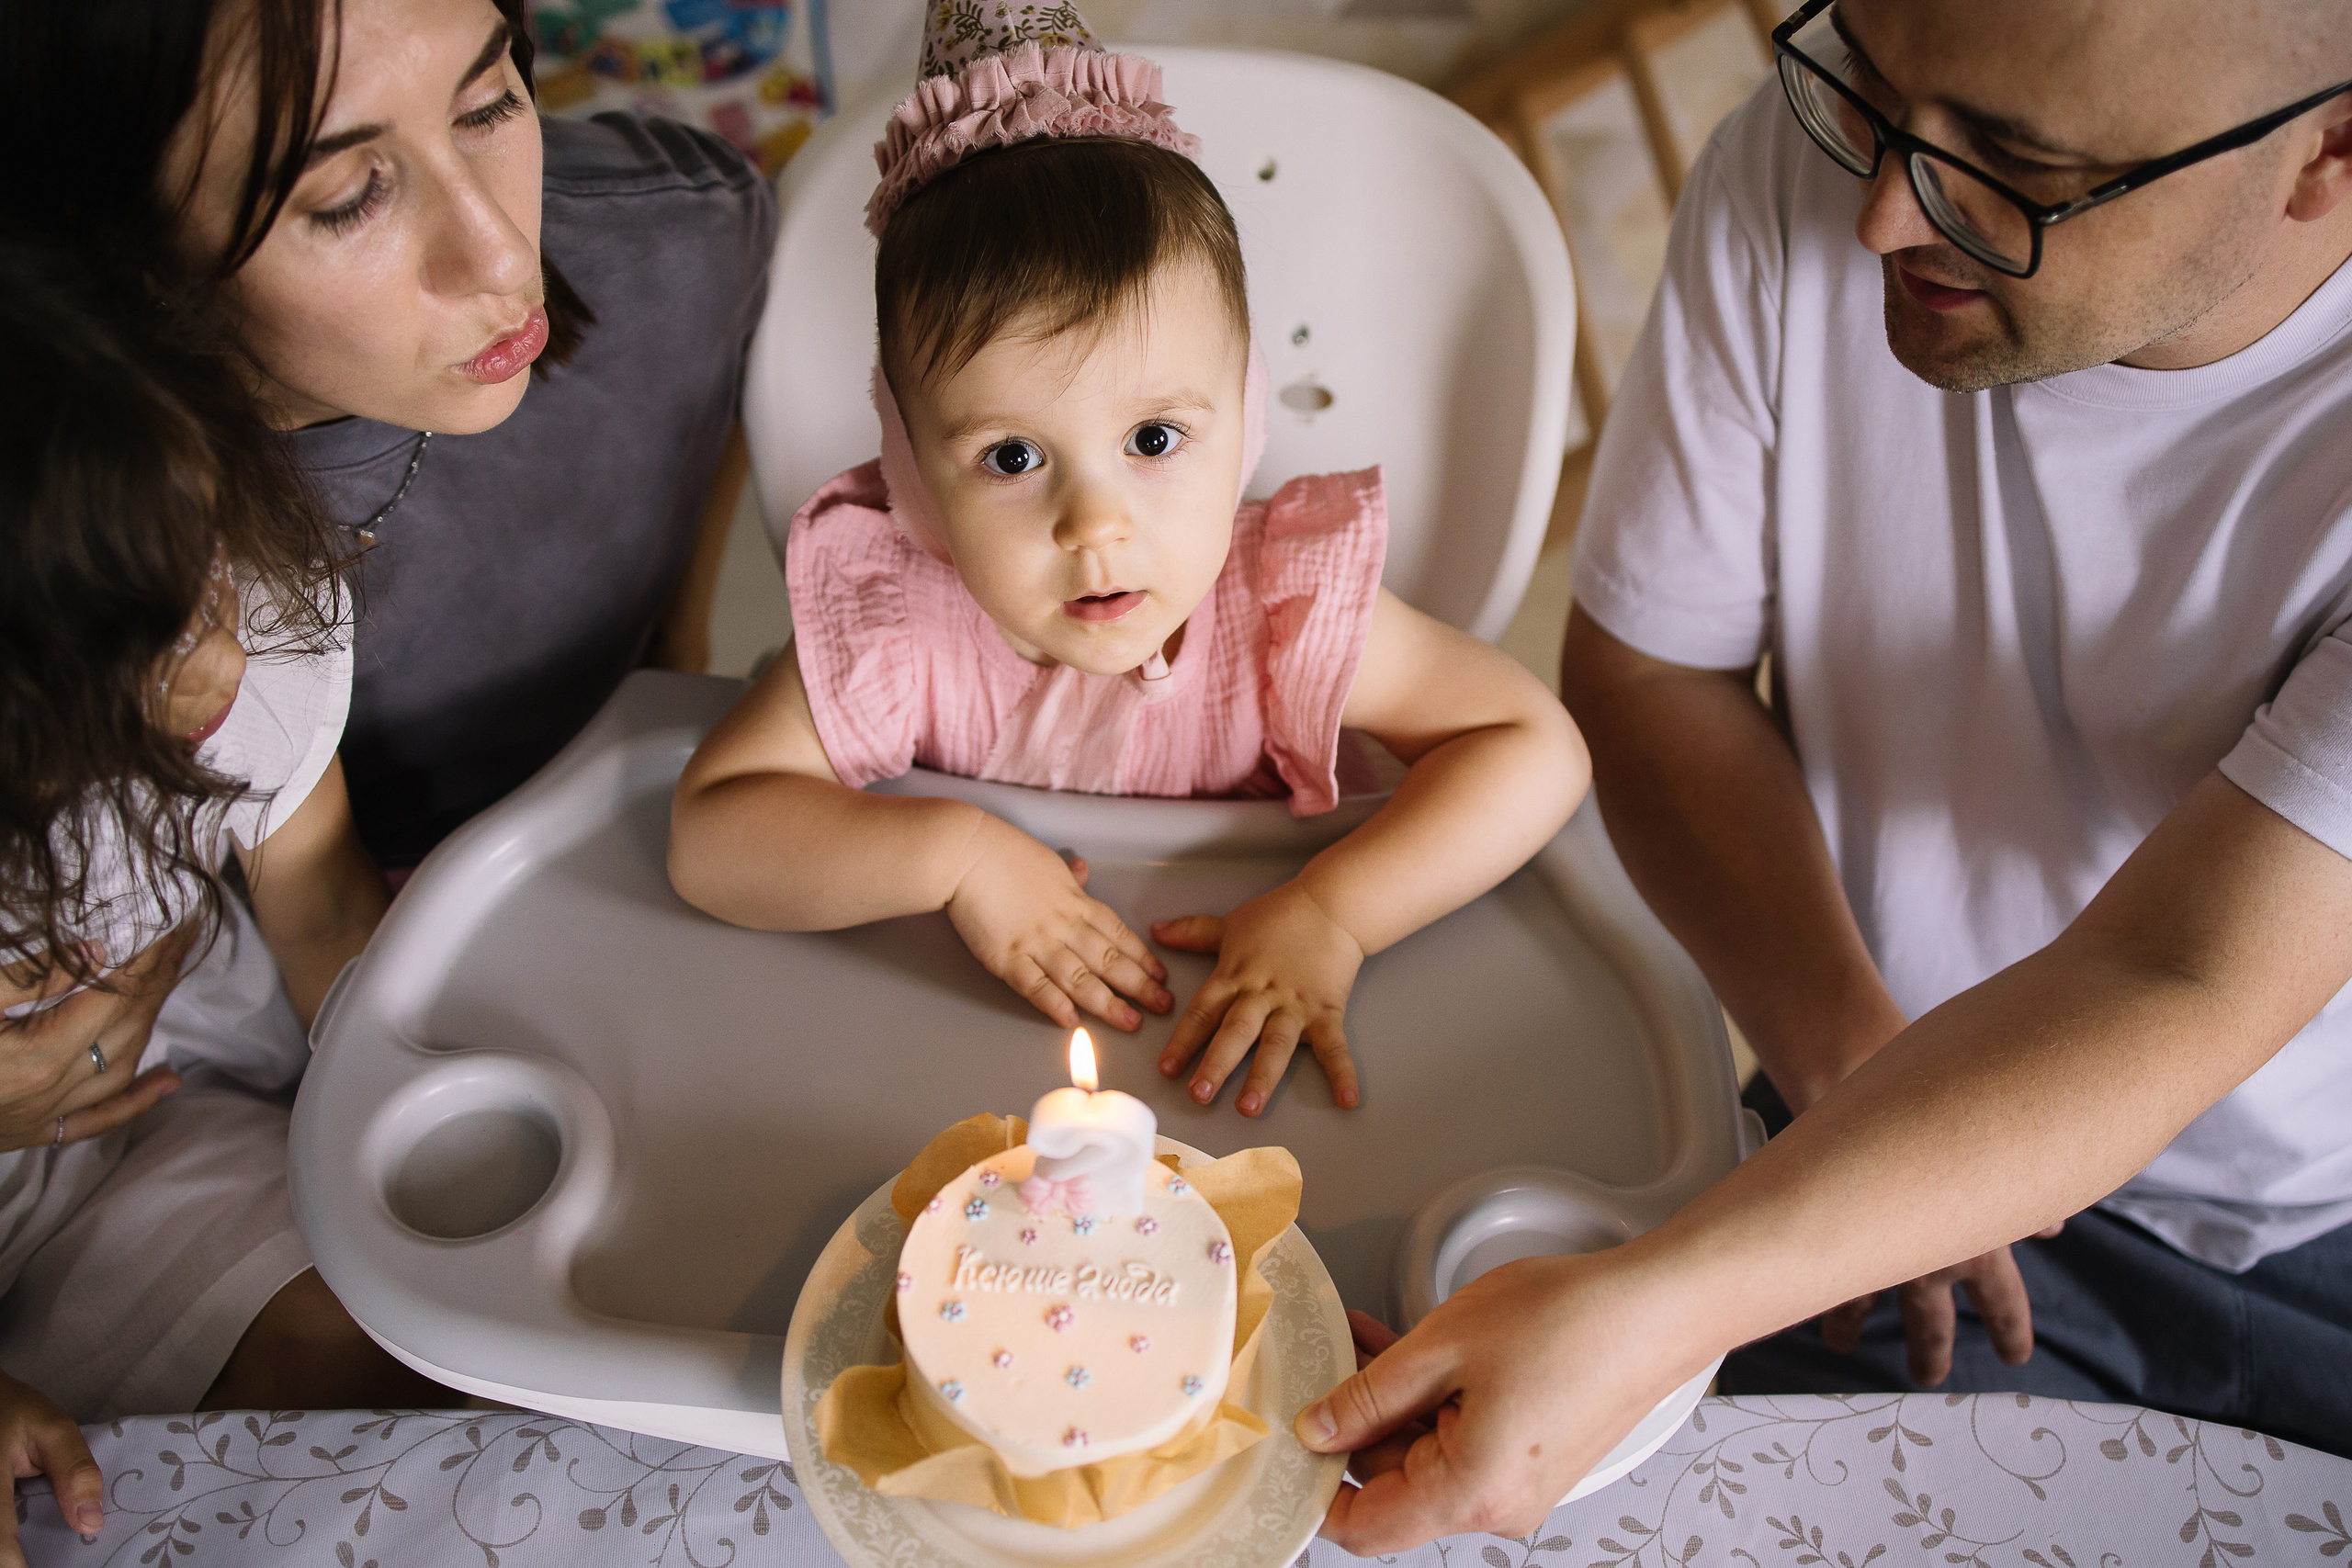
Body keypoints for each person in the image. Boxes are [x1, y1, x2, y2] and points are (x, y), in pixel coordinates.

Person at [1297, 0, 2352, 1551]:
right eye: (1865, 78)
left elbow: (2178, 971)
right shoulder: (1803, 172)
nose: (1882, 216)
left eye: (2016, 167)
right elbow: (1654, 676)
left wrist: (1665, 1300)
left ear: (2330, 148)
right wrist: (1851, 1067)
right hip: (1867, 1100)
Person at [0, 0, 773, 1405]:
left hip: (199, 1091)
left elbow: (323, 905)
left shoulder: (257, 608)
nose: (502, 255)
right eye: (349, 194)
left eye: (490, 102)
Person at [669, 8, 1589, 1115]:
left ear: (1244, 422)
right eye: (1012, 457)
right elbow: (713, 835)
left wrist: (1336, 913)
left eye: (1153, 439)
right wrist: (953, 859)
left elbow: (1531, 747)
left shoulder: (1278, 606)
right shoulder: (897, 620)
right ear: (911, 475)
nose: (1093, 526)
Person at [0, 244, 425, 1562]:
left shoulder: (246, 619)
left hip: (171, 1096)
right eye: (163, 645)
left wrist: (434, 1111)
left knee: (373, 1341)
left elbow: (319, 905)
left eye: (212, 585)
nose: (228, 656)